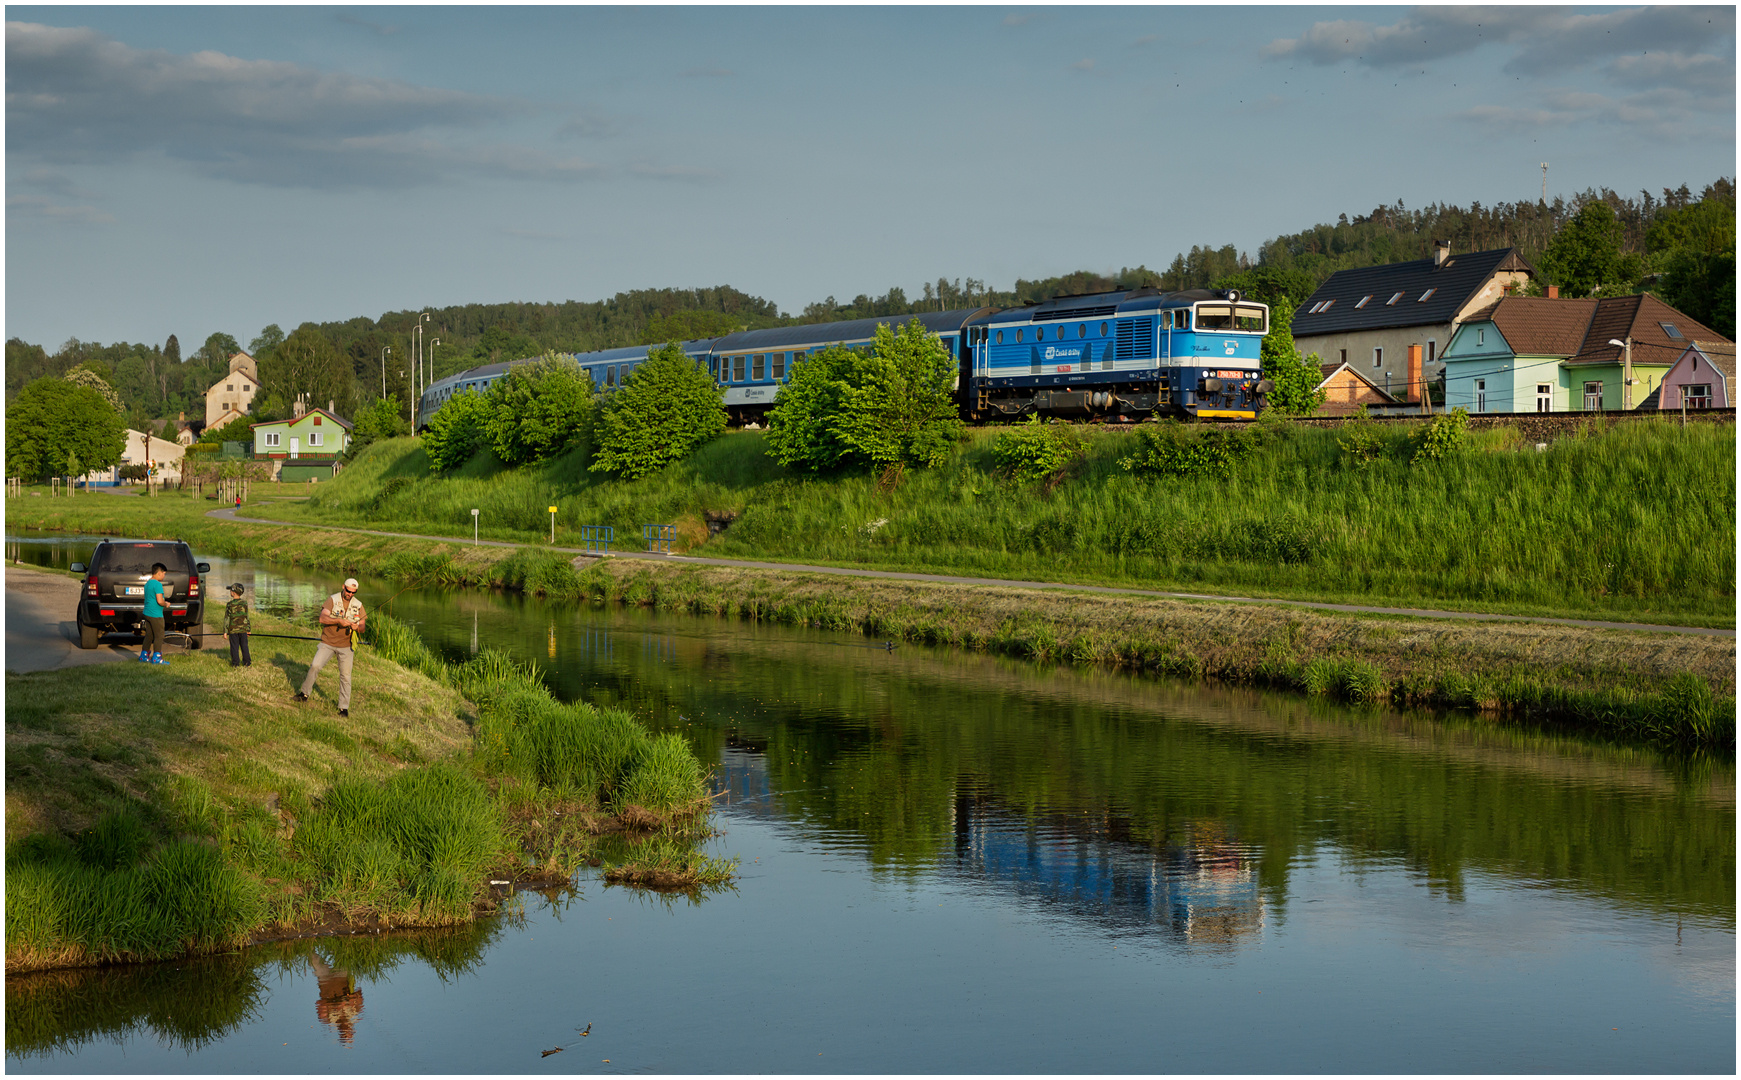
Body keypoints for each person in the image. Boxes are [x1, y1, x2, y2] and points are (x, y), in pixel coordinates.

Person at [294, 577, 365, 717]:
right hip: (328, 642)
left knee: (346, 676)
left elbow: (363, 626)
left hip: (347, 646)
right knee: (315, 666)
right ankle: (304, 694)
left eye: (353, 592)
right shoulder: (332, 599)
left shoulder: (358, 605)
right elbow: (322, 618)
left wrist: (358, 627)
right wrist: (338, 621)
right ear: (343, 587)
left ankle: (343, 709)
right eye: (348, 591)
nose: (350, 594)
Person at [140, 563, 170, 665]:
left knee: (149, 635)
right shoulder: (158, 584)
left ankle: (144, 655)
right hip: (156, 614)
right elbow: (159, 600)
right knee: (159, 636)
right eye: (164, 573)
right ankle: (157, 657)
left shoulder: (148, 583)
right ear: (159, 573)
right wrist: (166, 604)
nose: (164, 576)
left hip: (147, 613)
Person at [222, 582, 252, 667]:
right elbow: (247, 617)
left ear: (233, 592)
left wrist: (225, 631)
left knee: (234, 647)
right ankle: (247, 662)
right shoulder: (245, 603)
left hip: (233, 630)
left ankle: (235, 663)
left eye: (230, 590)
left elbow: (227, 618)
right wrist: (248, 629)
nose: (230, 592)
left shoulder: (229, 604)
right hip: (243, 629)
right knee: (244, 646)